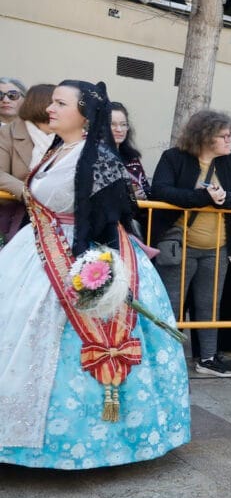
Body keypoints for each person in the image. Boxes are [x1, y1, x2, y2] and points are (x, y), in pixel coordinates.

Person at [0, 79, 190, 468]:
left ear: (85, 114)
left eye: (60, 103)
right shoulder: (57, 149)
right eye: (51, 102)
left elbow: (110, 218)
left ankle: (98, 443)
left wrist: (96, 272)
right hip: (36, 252)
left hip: (82, 256)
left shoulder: (99, 156)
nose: (50, 108)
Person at [151, 109, 231, 377]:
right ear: (206, 136)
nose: (229, 140)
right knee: (172, 305)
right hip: (178, 244)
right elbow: (161, 191)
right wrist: (203, 197)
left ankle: (208, 359)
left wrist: (224, 198)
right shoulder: (174, 158)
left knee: (210, 305)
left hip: (217, 247)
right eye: (225, 135)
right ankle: (165, 357)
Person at [0, 83, 54, 244]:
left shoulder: (66, 133)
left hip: (56, 215)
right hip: (16, 212)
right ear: (42, 104)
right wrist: (28, 193)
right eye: (57, 103)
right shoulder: (7, 132)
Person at [108, 102, 150, 200]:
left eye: (123, 125)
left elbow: (147, 190)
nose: (119, 129)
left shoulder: (133, 160)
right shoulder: (94, 157)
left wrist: (143, 194)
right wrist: (130, 196)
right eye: (112, 124)